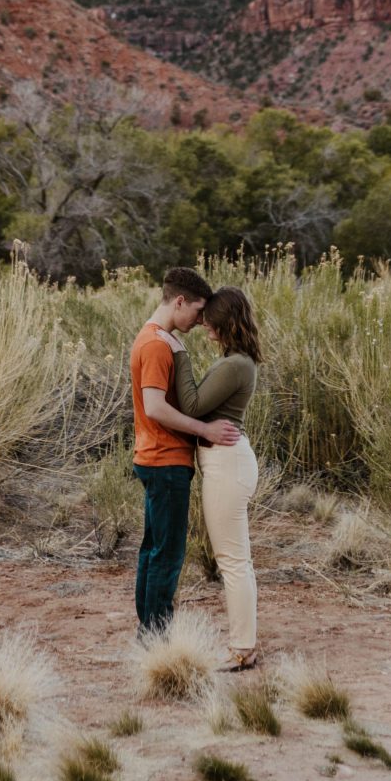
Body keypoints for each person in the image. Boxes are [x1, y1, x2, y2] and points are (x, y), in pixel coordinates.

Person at [129, 266, 239, 634]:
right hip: (165, 461)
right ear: (179, 301)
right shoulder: (158, 345)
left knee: (153, 550)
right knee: (168, 554)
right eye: (197, 310)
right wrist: (205, 428)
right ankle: (157, 636)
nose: (200, 319)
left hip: (154, 459)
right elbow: (155, 406)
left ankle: (148, 632)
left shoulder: (153, 339)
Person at [190, 286, 263, 670]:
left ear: (226, 320)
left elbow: (193, 405)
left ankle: (242, 649)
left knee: (232, 560)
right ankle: (244, 645)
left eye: (209, 319)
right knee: (237, 559)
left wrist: (176, 360)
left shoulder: (234, 365)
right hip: (228, 462)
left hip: (226, 464)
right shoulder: (237, 361)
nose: (204, 325)